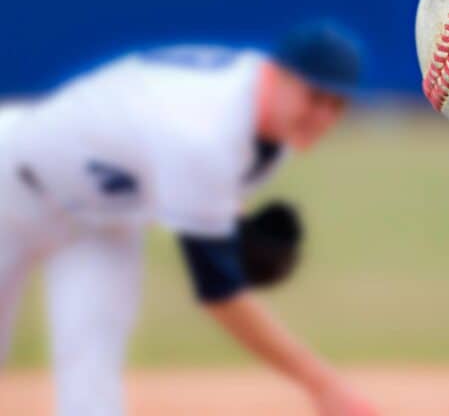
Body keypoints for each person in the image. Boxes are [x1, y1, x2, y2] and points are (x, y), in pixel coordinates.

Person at [0, 21, 378, 416]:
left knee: (92, 379)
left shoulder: (271, 127)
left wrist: (233, 228)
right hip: (11, 184)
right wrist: (324, 387)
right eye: (315, 96)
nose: (323, 116)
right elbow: (219, 291)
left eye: (337, 104)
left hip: (105, 223)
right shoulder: (204, 129)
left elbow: (208, 191)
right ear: (275, 74)